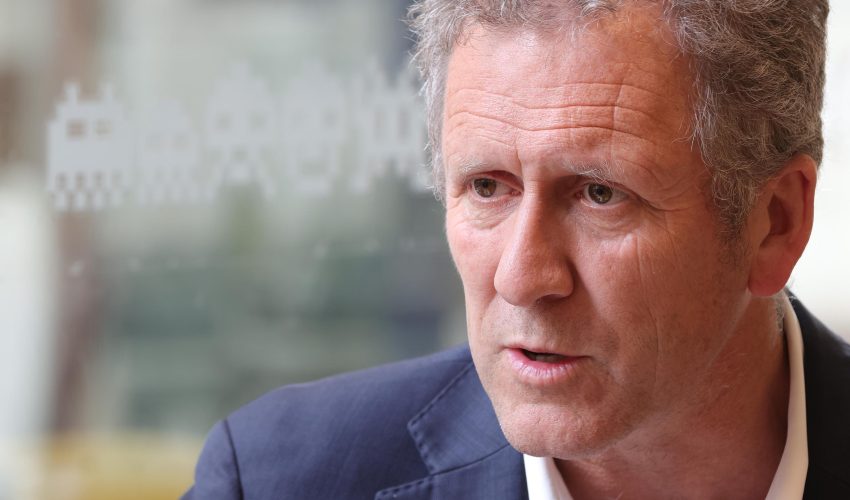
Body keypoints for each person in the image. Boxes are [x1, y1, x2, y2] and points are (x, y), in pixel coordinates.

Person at [184, 1, 850, 498]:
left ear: (776, 223)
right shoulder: (279, 481)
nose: (522, 276)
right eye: (486, 186)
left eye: (599, 194)